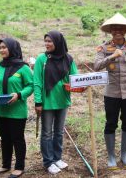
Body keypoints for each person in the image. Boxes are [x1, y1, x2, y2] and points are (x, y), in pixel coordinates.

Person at [94, 13, 126, 169]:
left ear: (125, 31)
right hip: (111, 93)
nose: (117, 31)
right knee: (111, 123)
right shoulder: (103, 47)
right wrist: (112, 56)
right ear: (110, 31)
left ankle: (125, 155)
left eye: (120, 29)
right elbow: (96, 66)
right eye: (114, 29)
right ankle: (111, 157)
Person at [33, 30, 78, 175]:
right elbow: (37, 82)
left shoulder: (68, 59)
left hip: (63, 100)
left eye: (50, 41)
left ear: (58, 42)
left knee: (59, 132)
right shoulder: (42, 59)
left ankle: (57, 158)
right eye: (45, 41)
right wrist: (38, 101)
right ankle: (48, 161)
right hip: (47, 102)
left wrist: (77, 85)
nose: (47, 44)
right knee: (47, 133)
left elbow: (75, 77)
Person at [0, 38, 33, 178]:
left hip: (17, 111)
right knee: (4, 138)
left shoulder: (23, 68)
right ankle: (5, 165)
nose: (2, 50)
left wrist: (19, 95)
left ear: (12, 48)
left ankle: (19, 167)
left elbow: (31, 85)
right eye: (0, 47)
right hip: (0, 110)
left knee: (17, 138)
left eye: (5, 47)